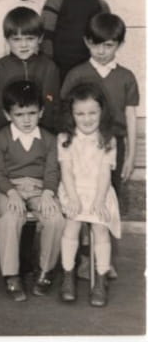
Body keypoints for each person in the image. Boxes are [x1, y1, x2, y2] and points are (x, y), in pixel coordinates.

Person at [61, 13, 138, 280]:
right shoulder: (77, 73)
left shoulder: (126, 76)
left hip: (112, 147)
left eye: (109, 45)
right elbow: (66, 112)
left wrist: (131, 155)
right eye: (96, 44)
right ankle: (85, 258)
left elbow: (130, 116)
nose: (102, 51)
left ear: (120, 44)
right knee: (82, 200)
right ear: (87, 42)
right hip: (82, 148)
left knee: (106, 200)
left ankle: (105, 259)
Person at [0, 80, 65, 302]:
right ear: (8, 115)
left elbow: (52, 171)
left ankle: (46, 270)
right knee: (10, 217)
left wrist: (48, 193)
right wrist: (11, 192)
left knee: (55, 218)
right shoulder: (0, 138)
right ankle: (11, 274)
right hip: (9, 188)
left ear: (41, 112)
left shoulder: (49, 139)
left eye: (32, 113)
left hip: (39, 188)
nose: (26, 120)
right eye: (19, 114)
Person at [58, 83, 121, 307]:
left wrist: (99, 200)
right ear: (71, 114)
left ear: (102, 111)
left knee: (100, 227)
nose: (87, 119)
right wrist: (73, 198)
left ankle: (101, 279)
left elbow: (105, 174)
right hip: (74, 189)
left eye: (93, 113)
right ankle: (68, 275)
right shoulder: (65, 138)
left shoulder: (108, 139)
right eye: (80, 114)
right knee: (72, 224)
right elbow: (66, 172)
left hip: (99, 191)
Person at [0, 7, 60, 135]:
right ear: (7, 40)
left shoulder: (49, 67)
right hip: (5, 136)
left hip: (42, 136)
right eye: (17, 39)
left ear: (40, 38)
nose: (23, 45)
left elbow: (54, 106)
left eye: (30, 38)